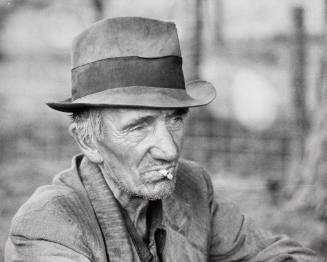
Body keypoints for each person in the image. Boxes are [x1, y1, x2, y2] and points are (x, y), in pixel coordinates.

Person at [5, 17, 320, 262]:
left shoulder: (191, 186)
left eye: (176, 119)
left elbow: (281, 254)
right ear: (88, 143)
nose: (170, 150)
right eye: (139, 126)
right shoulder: (49, 225)